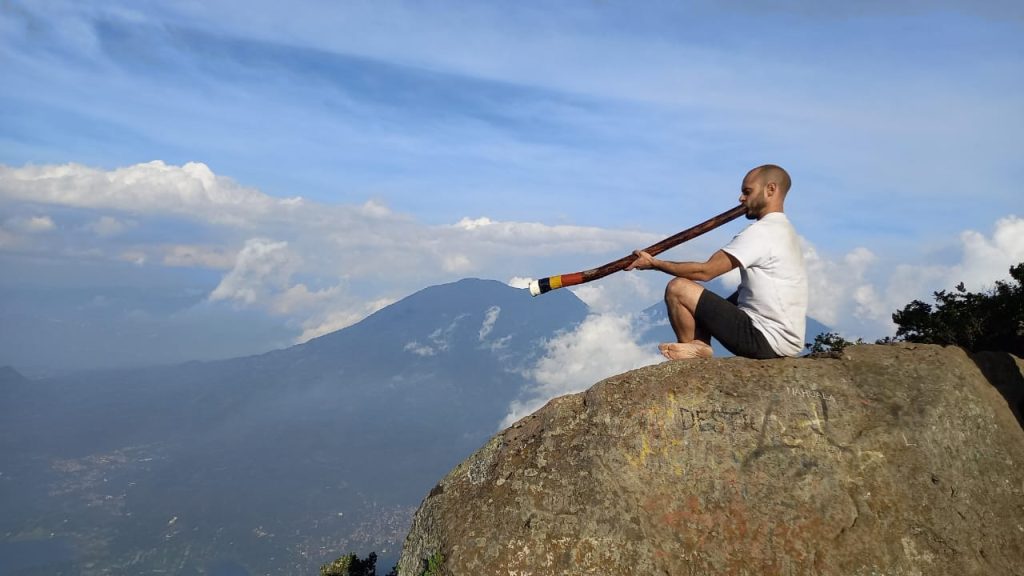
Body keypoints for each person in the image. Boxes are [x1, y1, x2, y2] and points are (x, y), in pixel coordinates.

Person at [625, 164, 807, 360]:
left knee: (678, 288)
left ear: (770, 189)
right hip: (783, 342)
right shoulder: (786, 233)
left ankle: (696, 350)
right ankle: (698, 345)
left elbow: (706, 272)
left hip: (764, 339)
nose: (741, 198)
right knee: (731, 295)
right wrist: (706, 313)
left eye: (747, 192)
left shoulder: (763, 232)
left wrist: (654, 264)